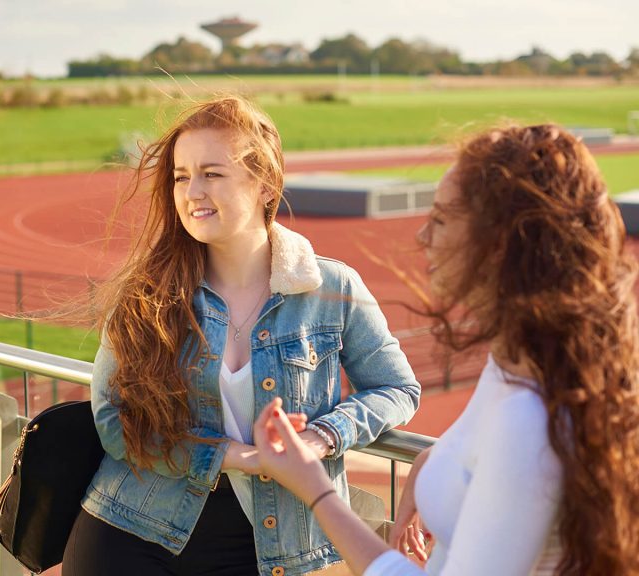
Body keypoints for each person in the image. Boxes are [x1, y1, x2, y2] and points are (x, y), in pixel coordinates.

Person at [253, 124, 639, 575]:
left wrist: (315, 490)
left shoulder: (528, 417)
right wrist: (430, 462)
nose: (422, 238)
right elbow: (479, 443)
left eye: (440, 220)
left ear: (498, 244)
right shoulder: (515, 362)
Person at [62, 96, 421, 575]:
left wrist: (322, 437)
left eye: (212, 174)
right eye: (181, 176)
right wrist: (236, 456)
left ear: (264, 184)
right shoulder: (147, 294)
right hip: (131, 530)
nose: (192, 192)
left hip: (270, 548)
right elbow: (113, 419)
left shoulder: (332, 289)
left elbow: (397, 388)